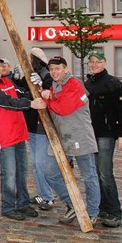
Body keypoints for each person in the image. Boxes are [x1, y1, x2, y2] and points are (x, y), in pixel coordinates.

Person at [0, 54, 46, 221]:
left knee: (22, 172)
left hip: (18, 133)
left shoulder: (7, 82)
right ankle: (8, 206)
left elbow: (23, 92)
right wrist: (30, 104)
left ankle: (23, 203)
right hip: (3, 136)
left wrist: (38, 86)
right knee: (9, 173)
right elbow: (5, 101)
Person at [40, 56, 101, 225]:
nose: (54, 72)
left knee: (89, 176)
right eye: (51, 69)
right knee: (50, 173)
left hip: (79, 136)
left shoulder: (74, 84)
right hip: (60, 137)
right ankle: (73, 204)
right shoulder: (54, 85)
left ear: (65, 69)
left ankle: (93, 212)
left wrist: (47, 98)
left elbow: (63, 108)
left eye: (57, 68)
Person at [85, 51, 122, 228]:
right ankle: (102, 206)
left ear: (104, 63)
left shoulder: (113, 83)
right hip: (91, 134)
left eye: (98, 61)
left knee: (105, 173)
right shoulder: (88, 84)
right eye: (92, 62)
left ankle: (114, 211)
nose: (94, 64)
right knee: (95, 173)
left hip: (106, 134)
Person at [13, 47, 55, 210]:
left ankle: (48, 196)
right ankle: (42, 193)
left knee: (40, 163)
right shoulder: (31, 74)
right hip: (31, 124)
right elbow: (22, 89)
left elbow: (50, 91)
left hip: (41, 125)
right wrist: (16, 78)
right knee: (36, 163)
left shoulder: (46, 75)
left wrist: (43, 83)